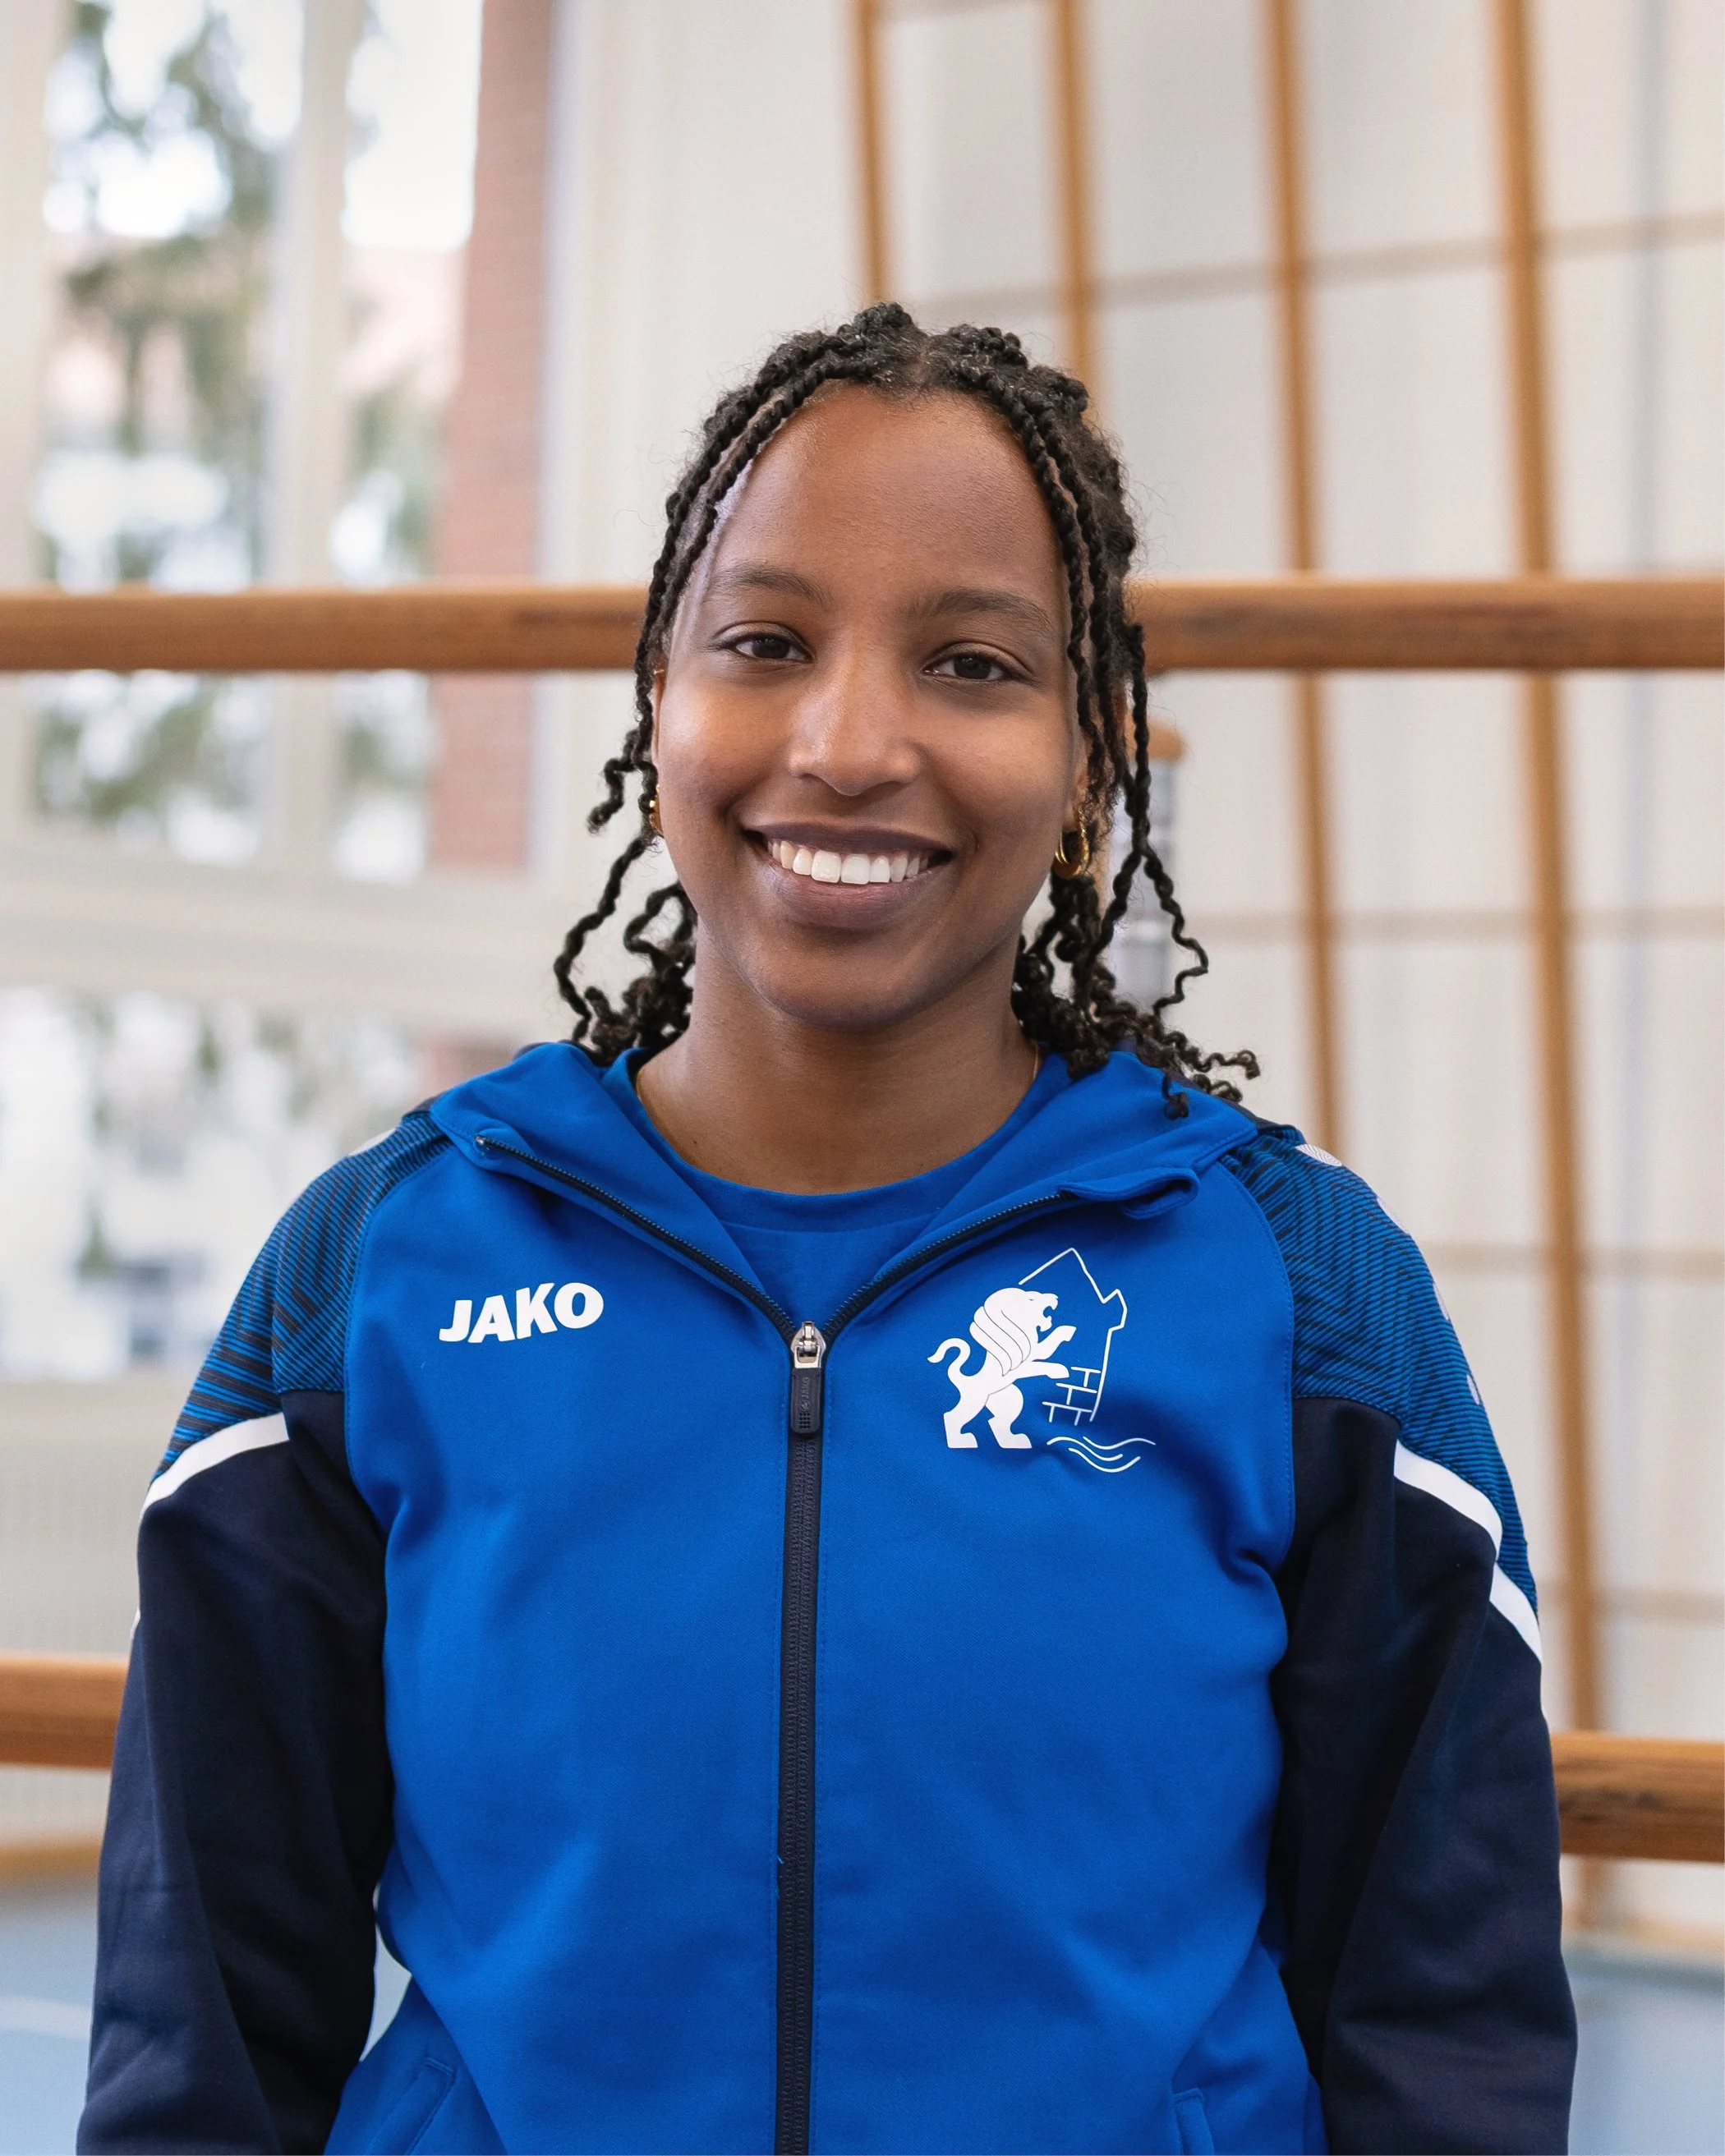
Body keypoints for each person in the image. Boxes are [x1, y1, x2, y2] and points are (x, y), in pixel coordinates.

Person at [80, 305, 1574, 2156]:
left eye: (970, 662)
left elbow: (1449, 2016)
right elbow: (199, 2031)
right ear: (661, 704)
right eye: (766, 644)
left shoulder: (1298, 1296)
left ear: (1095, 749)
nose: (851, 741)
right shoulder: (378, 1274)